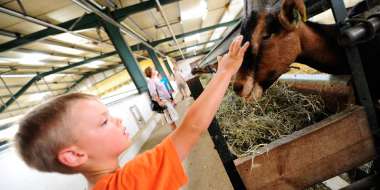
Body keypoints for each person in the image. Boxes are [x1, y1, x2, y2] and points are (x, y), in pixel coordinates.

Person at [14, 35, 249, 190]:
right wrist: (224, 73)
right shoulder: (130, 182)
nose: (117, 120)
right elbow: (192, 128)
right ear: (74, 156)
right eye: (104, 122)